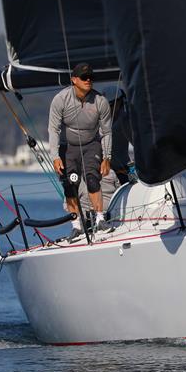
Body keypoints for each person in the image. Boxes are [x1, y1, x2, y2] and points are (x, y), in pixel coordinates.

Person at [49, 62, 112, 239]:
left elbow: (107, 132)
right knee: (71, 184)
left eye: (91, 77)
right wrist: (55, 156)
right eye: (84, 77)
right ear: (74, 80)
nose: (88, 80)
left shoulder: (100, 102)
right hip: (68, 147)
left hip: (91, 143)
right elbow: (53, 129)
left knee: (92, 179)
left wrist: (107, 156)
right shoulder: (61, 100)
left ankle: (100, 220)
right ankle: (76, 226)